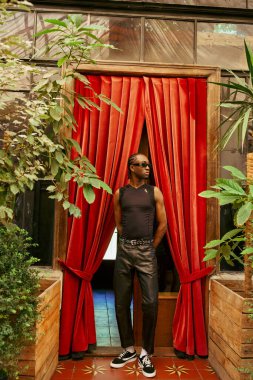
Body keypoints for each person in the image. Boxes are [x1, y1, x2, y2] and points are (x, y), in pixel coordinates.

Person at [110, 153, 167, 378]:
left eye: (148, 165)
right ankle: (128, 349)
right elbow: (119, 223)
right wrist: (127, 244)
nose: (146, 168)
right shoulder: (120, 193)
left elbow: (163, 224)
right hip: (124, 251)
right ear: (131, 167)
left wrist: (149, 247)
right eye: (141, 165)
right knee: (121, 301)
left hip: (146, 252)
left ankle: (146, 352)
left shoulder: (154, 192)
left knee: (151, 301)